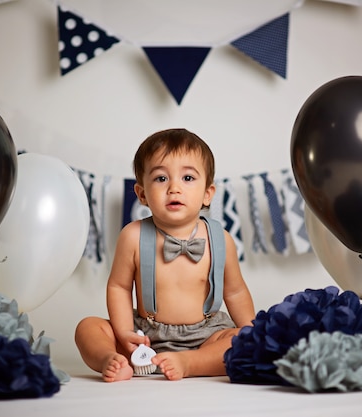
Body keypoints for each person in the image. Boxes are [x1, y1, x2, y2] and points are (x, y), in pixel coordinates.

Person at [74, 128, 255, 382]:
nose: (174, 188)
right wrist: (125, 332)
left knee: (240, 341)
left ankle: (189, 362)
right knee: (88, 328)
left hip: (205, 335)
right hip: (145, 336)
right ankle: (111, 360)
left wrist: (253, 333)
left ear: (207, 194)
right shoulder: (132, 235)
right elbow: (119, 287)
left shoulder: (220, 239)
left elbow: (235, 291)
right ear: (142, 194)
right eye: (161, 178)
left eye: (188, 178)